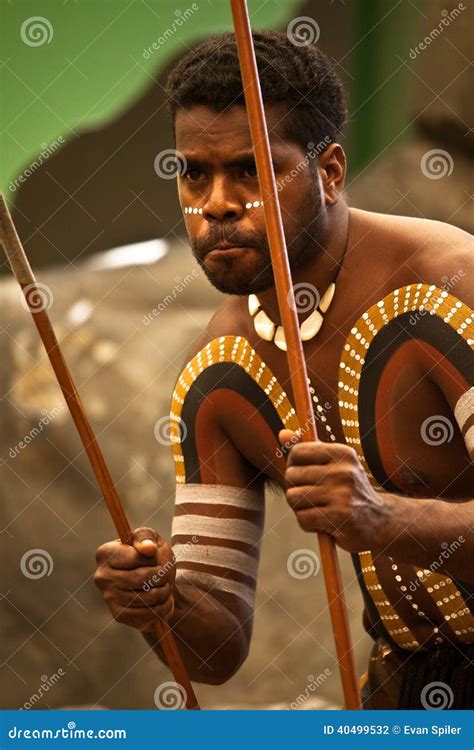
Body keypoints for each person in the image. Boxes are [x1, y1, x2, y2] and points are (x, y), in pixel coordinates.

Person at [94, 30, 473, 708]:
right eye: (194, 174)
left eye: (252, 171)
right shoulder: (223, 371)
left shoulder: (445, 286)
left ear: (328, 172)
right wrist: (162, 600)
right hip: (408, 691)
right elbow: (215, 653)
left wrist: (381, 518)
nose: (215, 204)